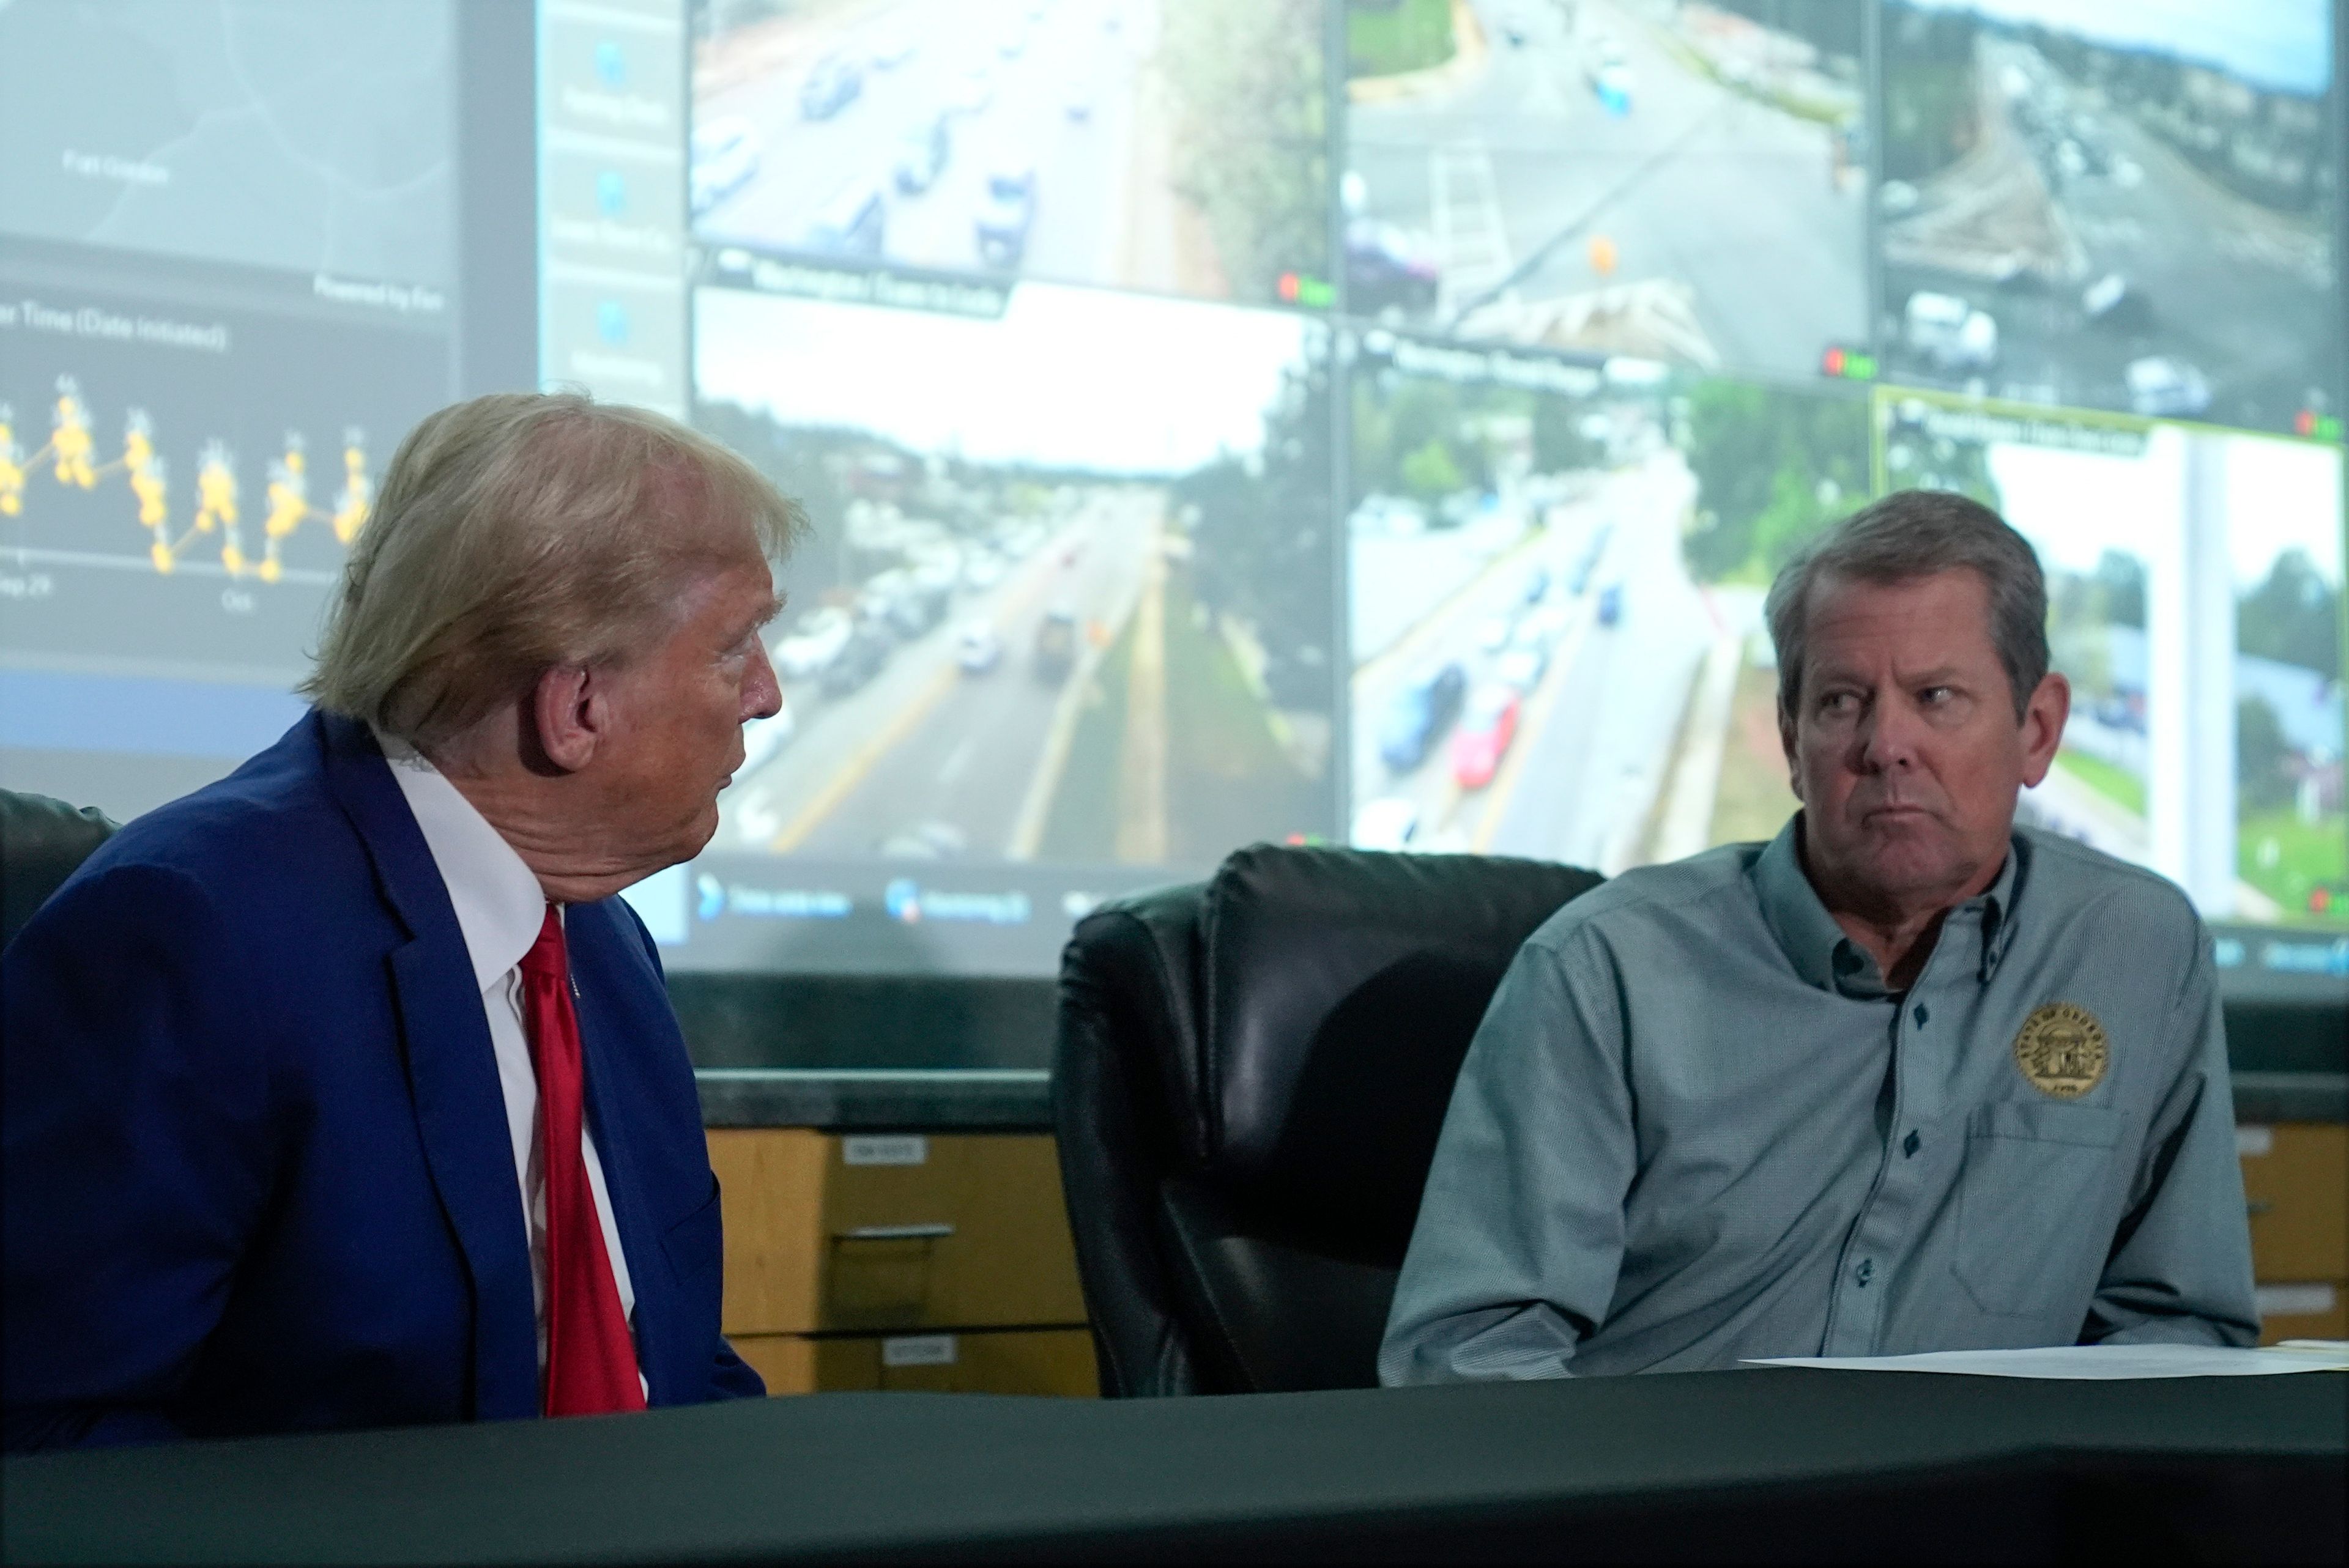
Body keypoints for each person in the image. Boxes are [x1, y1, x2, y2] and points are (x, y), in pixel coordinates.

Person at [4, 391, 804, 1448]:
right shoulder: (193, 936)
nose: (769, 694)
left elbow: (674, 1364)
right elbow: (58, 1445)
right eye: (733, 646)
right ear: (576, 710)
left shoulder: (598, 940)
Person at [1381, 490, 2258, 1383]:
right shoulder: (1608, 972)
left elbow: (2176, 1331)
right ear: (1791, 737)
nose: (1887, 746)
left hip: (1989, 1508)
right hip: (1666, 1506)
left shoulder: (2135, 952)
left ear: (2037, 731)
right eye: (1843, 702)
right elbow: (1469, 1364)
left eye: (1937, 697)